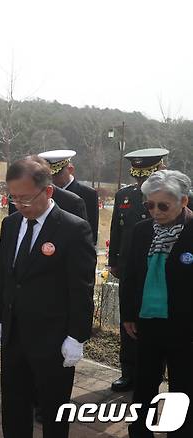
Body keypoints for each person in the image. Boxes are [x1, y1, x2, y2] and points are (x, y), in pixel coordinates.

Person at [0, 156, 96, 438]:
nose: (19, 205)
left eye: (25, 198)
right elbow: (4, 275)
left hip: (53, 337)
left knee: (53, 409)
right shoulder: (12, 224)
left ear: (47, 191)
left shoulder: (73, 229)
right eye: (13, 198)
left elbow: (81, 288)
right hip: (14, 332)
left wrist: (77, 337)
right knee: (13, 402)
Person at [120, 170, 193, 438]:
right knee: (145, 381)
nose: (156, 212)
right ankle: (140, 429)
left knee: (183, 385)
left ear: (183, 201)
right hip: (147, 322)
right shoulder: (142, 231)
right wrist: (128, 314)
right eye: (149, 205)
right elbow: (130, 276)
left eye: (163, 205)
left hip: (184, 326)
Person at [108, 148, 169, 392]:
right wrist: (113, 260)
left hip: (159, 271)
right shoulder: (125, 195)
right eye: (138, 177)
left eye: (146, 176)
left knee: (158, 324)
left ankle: (156, 371)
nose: (141, 182)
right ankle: (128, 371)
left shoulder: (174, 197)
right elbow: (116, 230)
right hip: (129, 270)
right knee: (128, 321)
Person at [39, 150, 100, 245]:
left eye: (57, 174)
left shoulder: (88, 194)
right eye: (49, 176)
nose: (53, 179)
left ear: (70, 169)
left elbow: (91, 233)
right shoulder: (43, 193)